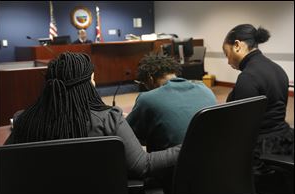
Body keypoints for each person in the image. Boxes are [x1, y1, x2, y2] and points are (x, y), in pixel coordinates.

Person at [4, 52, 181, 179]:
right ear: (87, 84)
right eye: (93, 79)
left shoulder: (23, 120)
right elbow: (143, 166)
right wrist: (184, 146)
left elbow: (4, 164)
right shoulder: (109, 120)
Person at [222, 24, 294, 162]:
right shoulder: (277, 68)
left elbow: (242, 125)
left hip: (261, 149)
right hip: (285, 139)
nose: (228, 61)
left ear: (237, 45)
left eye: (227, 54)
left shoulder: (248, 76)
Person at [126, 54, 217, 152]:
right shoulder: (205, 89)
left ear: (150, 78)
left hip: (172, 164)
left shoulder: (147, 99)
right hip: (210, 156)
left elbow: (129, 135)